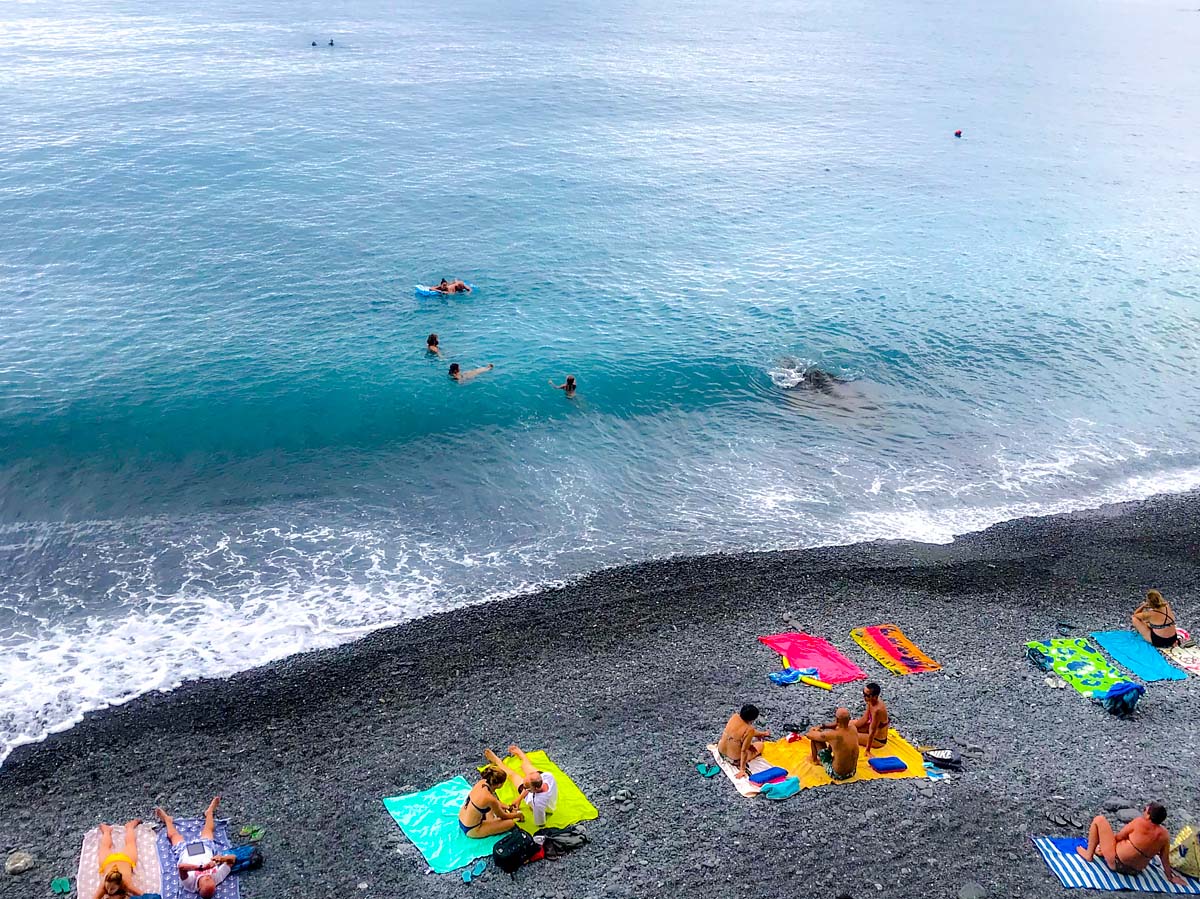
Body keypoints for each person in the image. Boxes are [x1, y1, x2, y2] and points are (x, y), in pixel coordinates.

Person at [1076, 802, 1185, 885]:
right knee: (1128, 844)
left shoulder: (1139, 822)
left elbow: (1119, 837)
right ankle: (1102, 851)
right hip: (1135, 871)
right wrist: (1170, 877)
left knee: (1099, 820)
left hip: (1116, 862)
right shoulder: (1165, 835)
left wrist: (1104, 846)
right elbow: (1165, 859)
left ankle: (1088, 855)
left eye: (1145, 810)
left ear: (1148, 815)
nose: (1143, 812)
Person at [155, 798, 237, 899]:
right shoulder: (217, 878)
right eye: (210, 879)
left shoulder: (190, 884)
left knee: (173, 836)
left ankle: (167, 820)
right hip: (205, 847)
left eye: (206, 880)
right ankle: (209, 812)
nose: (208, 877)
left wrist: (201, 867)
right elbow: (233, 859)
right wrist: (222, 859)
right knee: (209, 830)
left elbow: (181, 867)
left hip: (185, 851)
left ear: (199, 888)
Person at [485, 744, 559, 827]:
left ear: (533, 789)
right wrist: (518, 800)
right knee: (526, 766)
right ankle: (521, 755)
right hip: (539, 788)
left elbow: (541, 823)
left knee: (513, 775)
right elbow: (531, 787)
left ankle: (497, 761)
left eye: (526, 786)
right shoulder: (548, 776)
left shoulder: (537, 802)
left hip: (545, 806)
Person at [457, 764, 524, 838]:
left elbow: (493, 801)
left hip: (462, 818)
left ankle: (492, 822)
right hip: (472, 829)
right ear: (499, 785)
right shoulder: (489, 799)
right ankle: (492, 823)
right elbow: (503, 816)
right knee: (510, 823)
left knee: (490, 807)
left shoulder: (482, 783)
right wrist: (518, 815)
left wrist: (508, 807)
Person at [805, 708, 860, 781]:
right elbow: (838, 726)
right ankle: (826, 755)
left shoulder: (833, 735)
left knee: (815, 739)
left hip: (837, 774)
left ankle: (815, 760)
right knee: (835, 743)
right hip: (852, 772)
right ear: (849, 719)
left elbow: (809, 735)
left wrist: (814, 730)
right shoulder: (853, 728)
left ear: (837, 720)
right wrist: (824, 726)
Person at [717, 704, 770, 778]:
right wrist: (742, 769)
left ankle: (762, 734)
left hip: (721, 751)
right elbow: (744, 750)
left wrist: (762, 733)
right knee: (760, 745)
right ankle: (741, 764)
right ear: (753, 719)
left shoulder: (734, 717)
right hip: (734, 760)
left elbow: (744, 732)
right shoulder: (749, 730)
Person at [94, 820, 143, 899]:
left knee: (130, 843)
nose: (109, 890)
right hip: (109, 860)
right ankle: (106, 831)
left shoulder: (126, 883)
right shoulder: (104, 884)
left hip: (125, 859)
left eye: (112, 888)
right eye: (108, 887)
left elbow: (143, 895)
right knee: (105, 846)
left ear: (120, 884)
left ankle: (130, 827)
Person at [851, 682, 889, 755]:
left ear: (875, 696)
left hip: (877, 739)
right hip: (870, 728)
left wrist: (868, 750)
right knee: (848, 724)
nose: (864, 697)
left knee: (850, 736)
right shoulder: (871, 701)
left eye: (867, 695)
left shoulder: (878, 710)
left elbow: (872, 731)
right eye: (864, 694)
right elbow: (865, 718)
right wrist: (851, 727)